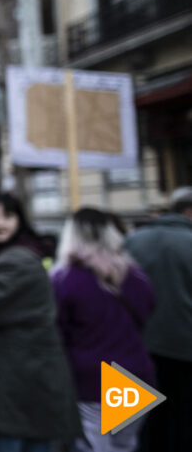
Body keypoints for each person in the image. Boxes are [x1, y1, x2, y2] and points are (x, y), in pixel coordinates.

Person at [0, 192, 80, 452]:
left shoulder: (19, 259)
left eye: (8, 216)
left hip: (15, 390)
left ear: (20, 220)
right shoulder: (7, 254)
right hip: (19, 387)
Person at [51, 208, 155, 452]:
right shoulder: (135, 276)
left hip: (92, 381)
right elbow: (148, 311)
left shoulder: (65, 279)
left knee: (92, 447)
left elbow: (56, 331)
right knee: (124, 446)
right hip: (135, 376)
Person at [125, 186, 192, 452]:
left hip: (135, 350)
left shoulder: (134, 240)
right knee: (183, 427)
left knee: (135, 430)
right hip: (185, 352)